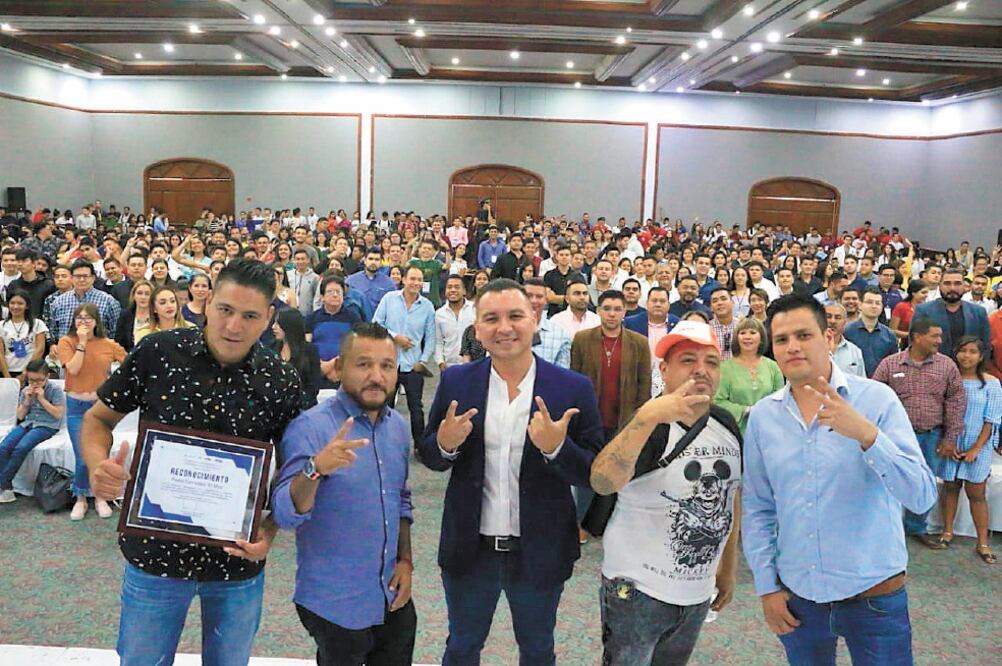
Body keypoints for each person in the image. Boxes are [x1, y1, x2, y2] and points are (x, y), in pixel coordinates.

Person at [81, 259, 303, 666]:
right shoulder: (157, 353)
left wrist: (270, 531)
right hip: (155, 555)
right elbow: (98, 418)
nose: (234, 326)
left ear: (269, 317)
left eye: (250, 315)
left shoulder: (281, 381)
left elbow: (292, 470)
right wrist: (98, 465)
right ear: (205, 301)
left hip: (236, 558)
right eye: (225, 310)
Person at [742, 293, 937, 666]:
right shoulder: (765, 418)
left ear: (829, 339)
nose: (792, 347)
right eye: (782, 340)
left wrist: (868, 436)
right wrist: (767, 586)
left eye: (804, 335)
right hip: (799, 596)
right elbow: (759, 508)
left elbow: (921, 495)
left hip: (874, 596)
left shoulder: (876, 401)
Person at [418, 278, 604, 665]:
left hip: (539, 549)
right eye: (492, 319)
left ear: (535, 318)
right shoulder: (457, 381)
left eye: (515, 316)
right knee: (462, 646)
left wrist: (556, 448)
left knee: (537, 650)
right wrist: (445, 443)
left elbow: (594, 473)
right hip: (471, 549)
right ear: (478, 328)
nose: (504, 328)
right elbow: (430, 456)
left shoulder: (572, 387)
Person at [589, 321, 742, 665]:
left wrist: (728, 568)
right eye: (688, 360)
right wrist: (645, 419)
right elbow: (601, 482)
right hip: (638, 593)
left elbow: (732, 499)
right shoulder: (651, 425)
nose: (701, 370)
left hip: (697, 593)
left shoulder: (726, 426)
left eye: (711, 362)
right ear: (665, 370)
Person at [273, 322, 417, 664]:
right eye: (363, 364)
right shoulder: (310, 428)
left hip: (391, 592)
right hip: (334, 601)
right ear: (338, 368)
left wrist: (406, 562)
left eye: (386, 366)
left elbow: (401, 500)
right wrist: (315, 469)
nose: (377, 376)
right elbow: (284, 512)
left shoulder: (396, 426)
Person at [872, 317, 967, 548]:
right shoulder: (890, 364)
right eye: (935, 336)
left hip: (932, 435)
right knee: (887, 481)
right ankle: (887, 528)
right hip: (894, 438)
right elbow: (873, 398)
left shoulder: (946, 365)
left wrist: (950, 438)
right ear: (916, 337)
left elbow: (956, 401)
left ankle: (916, 528)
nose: (940, 340)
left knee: (924, 483)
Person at [571, 289, 651, 542]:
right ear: (599, 311)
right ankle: (582, 523)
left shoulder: (639, 342)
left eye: (617, 309)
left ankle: (614, 525)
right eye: (607, 308)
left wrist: (637, 421)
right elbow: (575, 378)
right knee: (588, 471)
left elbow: (643, 385)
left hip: (623, 420)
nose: (612, 314)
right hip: (591, 419)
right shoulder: (583, 339)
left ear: (625, 312)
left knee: (619, 473)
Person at [57, 302, 127, 521]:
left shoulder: (108, 344)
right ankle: (80, 497)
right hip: (76, 406)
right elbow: (74, 369)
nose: (83, 322)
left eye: (88, 318)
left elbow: (129, 365)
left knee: (100, 454)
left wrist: (114, 385)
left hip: (100, 407)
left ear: (97, 321)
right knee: (82, 458)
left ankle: (100, 498)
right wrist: (83, 343)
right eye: (79, 317)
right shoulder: (66, 342)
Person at [935, 337, 1000, 564]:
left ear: (981, 356)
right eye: (963, 351)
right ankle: (947, 531)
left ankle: (982, 542)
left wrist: (975, 449)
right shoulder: (949, 380)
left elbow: (991, 420)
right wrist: (949, 442)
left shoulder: (991, 383)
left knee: (977, 494)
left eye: (973, 351)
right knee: (950, 488)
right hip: (951, 443)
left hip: (978, 447)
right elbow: (941, 412)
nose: (967, 356)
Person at [374, 265, 436, 447]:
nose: (415, 283)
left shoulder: (427, 306)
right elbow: (376, 324)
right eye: (412, 279)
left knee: (416, 408)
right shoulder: (389, 299)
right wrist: (395, 337)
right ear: (403, 279)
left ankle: (420, 446)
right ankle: (382, 443)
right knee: (385, 407)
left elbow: (431, 337)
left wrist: (423, 361)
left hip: (413, 364)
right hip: (388, 363)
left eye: (419, 280)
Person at [0, 358, 64, 503]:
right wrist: (27, 401)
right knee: (3, 447)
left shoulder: (55, 390)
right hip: (27, 423)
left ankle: (2, 484)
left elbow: (58, 414)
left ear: (47, 376)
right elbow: (20, 416)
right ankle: (7, 488)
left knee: (21, 448)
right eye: (31, 380)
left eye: (39, 380)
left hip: (47, 425)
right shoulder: (25, 390)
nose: (35, 384)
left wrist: (42, 399)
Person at [714, 317, 784, 433]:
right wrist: (745, 410)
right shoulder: (725, 368)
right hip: (736, 432)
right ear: (737, 338)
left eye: (752, 332)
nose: (747, 337)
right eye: (742, 333)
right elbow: (718, 401)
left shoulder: (773, 366)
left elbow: (782, 398)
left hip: (769, 429)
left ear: (761, 338)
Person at [915, 265, 992, 358]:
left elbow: (986, 347)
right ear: (939, 286)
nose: (952, 288)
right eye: (947, 283)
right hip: (933, 368)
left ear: (965, 286)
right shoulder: (924, 310)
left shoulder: (979, 312)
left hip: (968, 369)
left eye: (957, 283)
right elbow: (915, 345)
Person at [47, 259, 121, 342]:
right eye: (78, 276)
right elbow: (53, 330)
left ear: (93, 278)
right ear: (71, 278)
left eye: (85, 276)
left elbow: (116, 332)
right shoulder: (59, 301)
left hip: (97, 351)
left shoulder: (108, 301)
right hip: (67, 351)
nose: (82, 279)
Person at [273, 308, 323, 409]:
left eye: (278, 324)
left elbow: (314, 385)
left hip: (303, 407)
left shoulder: (310, 351)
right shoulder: (272, 348)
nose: (273, 327)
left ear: (288, 326)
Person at [843, 288, 899, 377]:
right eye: (869, 302)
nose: (874, 306)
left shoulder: (889, 335)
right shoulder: (847, 332)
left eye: (877, 303)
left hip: (881, 384)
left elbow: (894, 365)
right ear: (860, 305)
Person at [523, 277, 572, 368]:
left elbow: (561, 375)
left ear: (546, 300)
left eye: (539, 296)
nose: (533, 300)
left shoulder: (560, 335)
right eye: (529, 296)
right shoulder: (506, 331)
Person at [1, 290, 47, 378]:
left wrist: (24, 374)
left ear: (27, 306)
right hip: (7, 372)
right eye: (12, 303)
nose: (15, 306)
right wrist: (7, 376)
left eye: (20, 303)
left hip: (31, 373)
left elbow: (40, 349)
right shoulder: (1, 325)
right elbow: (0, 353)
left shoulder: (37, 324)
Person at [435, 275, 476, 372]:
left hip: (473, 367)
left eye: (457, 287)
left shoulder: (475, 309)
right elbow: (438, 342)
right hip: (449, 367)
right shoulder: (439, 314)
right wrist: (440, 362)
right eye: (449, 287)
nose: (453, 290)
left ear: (464, 291)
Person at [347, 246, 396, 318]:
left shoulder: (389, 284)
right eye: (370, 259)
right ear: (365, 261)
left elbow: (392, 307)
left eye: (377, 259)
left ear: (381, 262)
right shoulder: (351, 281)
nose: (373, 262)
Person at [824, 303, 865, 377]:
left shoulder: (855, 351)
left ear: (845, 322)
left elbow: (862, 383)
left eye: (838, 317)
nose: (832, 321)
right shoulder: (810, 348)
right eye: (828, 316)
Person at [707, 287, 737, 361]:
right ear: (711, 307)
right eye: (715, 301)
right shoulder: (706, 329)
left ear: (732, 303)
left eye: (723, 299)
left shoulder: (742, 326)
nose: (720, 303)